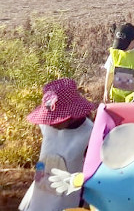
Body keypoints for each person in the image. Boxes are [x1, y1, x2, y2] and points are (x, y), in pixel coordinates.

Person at [19, 78, 97, 211]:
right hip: (40, 190)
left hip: (67, 197)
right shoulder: (47, 125)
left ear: (72, 115)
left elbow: (92, 171)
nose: (51, 123)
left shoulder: (89, 133)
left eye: (56, 119)